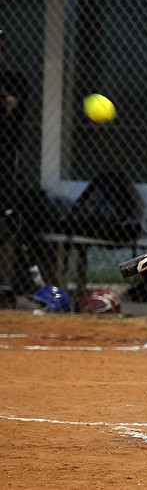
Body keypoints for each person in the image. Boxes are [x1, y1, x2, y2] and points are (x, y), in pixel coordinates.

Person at [0, 29, 28, 309]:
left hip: (4, 166)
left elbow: (10, 107)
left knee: (7, 225)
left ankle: (6, 288)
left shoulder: (13, 81)